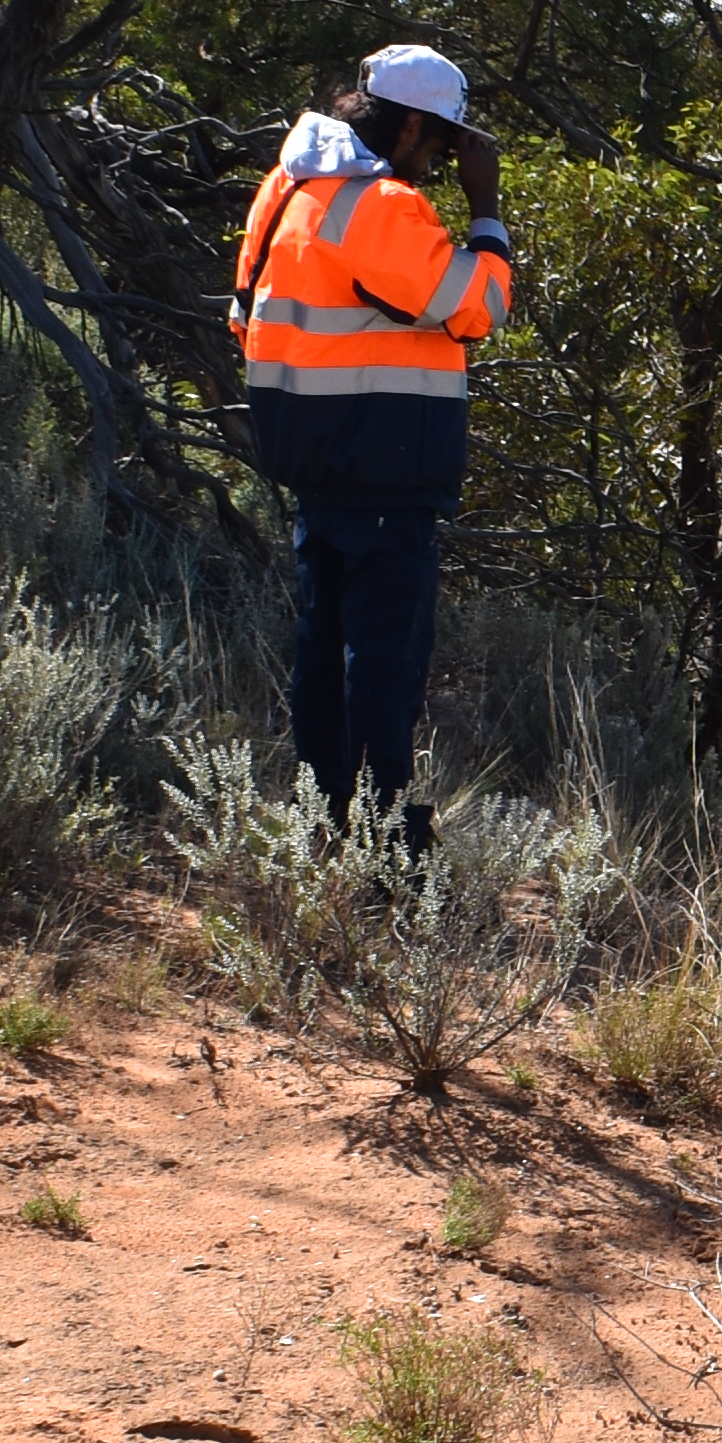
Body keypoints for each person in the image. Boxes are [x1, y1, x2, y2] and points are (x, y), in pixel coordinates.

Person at [233, 42, 517, 843]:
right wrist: (485, 210)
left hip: (316, 466)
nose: (439, 163)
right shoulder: (381, 204)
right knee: (384, 668)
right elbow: (475, 306)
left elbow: (247, 311)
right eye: (441, 144)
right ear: (413, 127)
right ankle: (386, 844)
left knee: (323, 660)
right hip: (384, 473)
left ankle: (323, 819)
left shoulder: (285, 191)